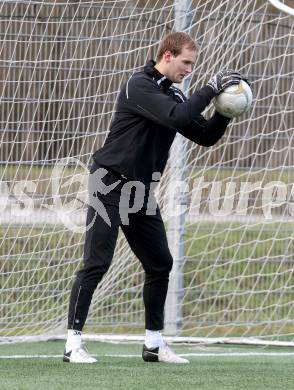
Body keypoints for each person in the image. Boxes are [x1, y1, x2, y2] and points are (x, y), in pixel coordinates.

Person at [63, 32, 243, 364]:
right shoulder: (139, 85)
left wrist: (225, 111)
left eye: (194, 65)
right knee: (96, 264)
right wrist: (212, 86)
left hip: (141, 192)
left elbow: (203, 135)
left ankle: (154, 345)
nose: (190, 70)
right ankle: (72, 344)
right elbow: (177, 117)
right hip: (108, 184)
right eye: (187, 62)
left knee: (160, 262)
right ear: (168, 55)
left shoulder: (174, 93)